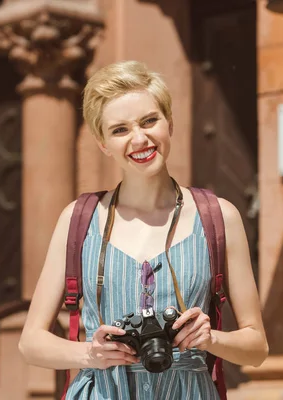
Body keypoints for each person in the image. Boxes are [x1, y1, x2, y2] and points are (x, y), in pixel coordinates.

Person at [18, 60, 268, 399]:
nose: (140, 139)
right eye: (120, 130)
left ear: (169, 124)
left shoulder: (219, 217)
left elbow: (257, 347)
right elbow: (30, 342)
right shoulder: (78, 219)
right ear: (103, 143)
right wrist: (90, 354)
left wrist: (211, 339)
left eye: (150, 121)